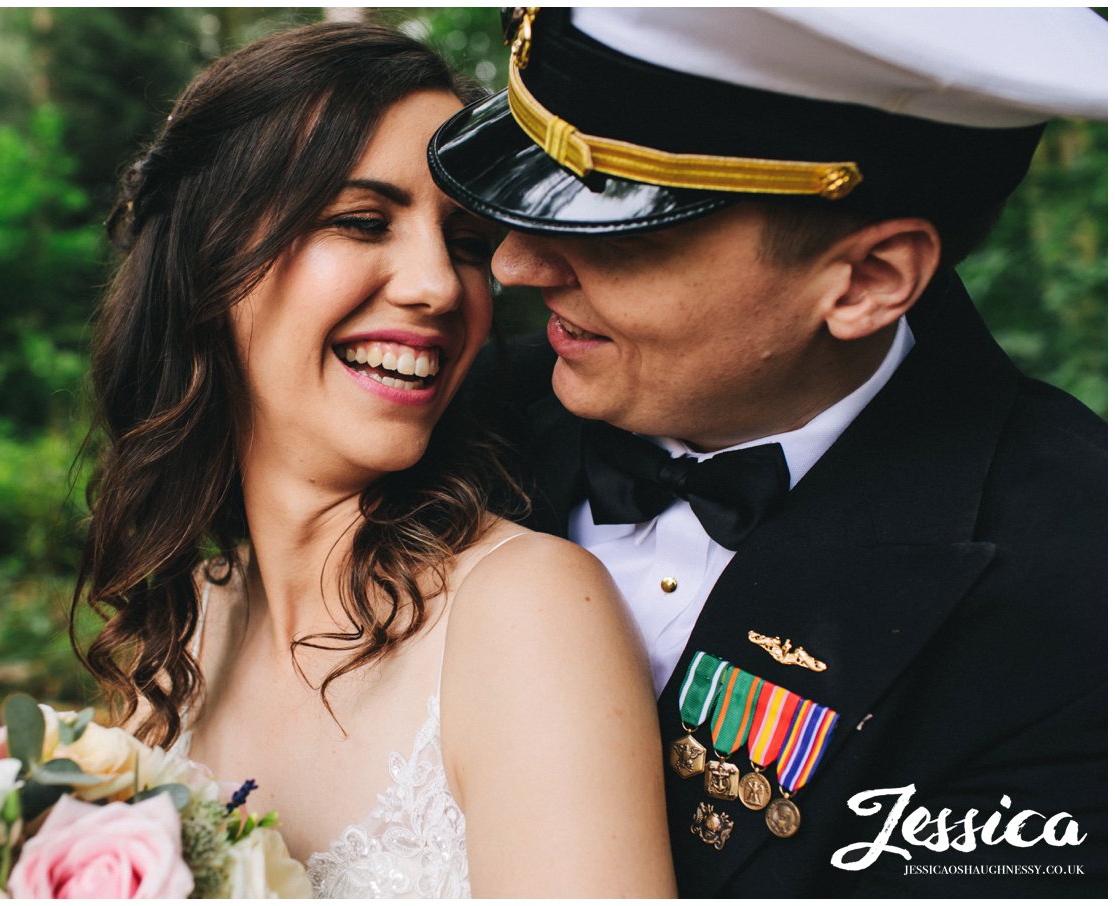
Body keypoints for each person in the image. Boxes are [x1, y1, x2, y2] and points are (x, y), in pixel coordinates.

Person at [431, 8, 1106, 895]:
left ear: (869, 280)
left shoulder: (1075, 589)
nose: (514, 264)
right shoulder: (448, 418)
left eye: (618, 226)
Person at [74, 22, 674, 897]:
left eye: (467, 244)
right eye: (362, 222)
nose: (439, 285)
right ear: (208, 262)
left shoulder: (521, 611)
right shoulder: (175, 638)